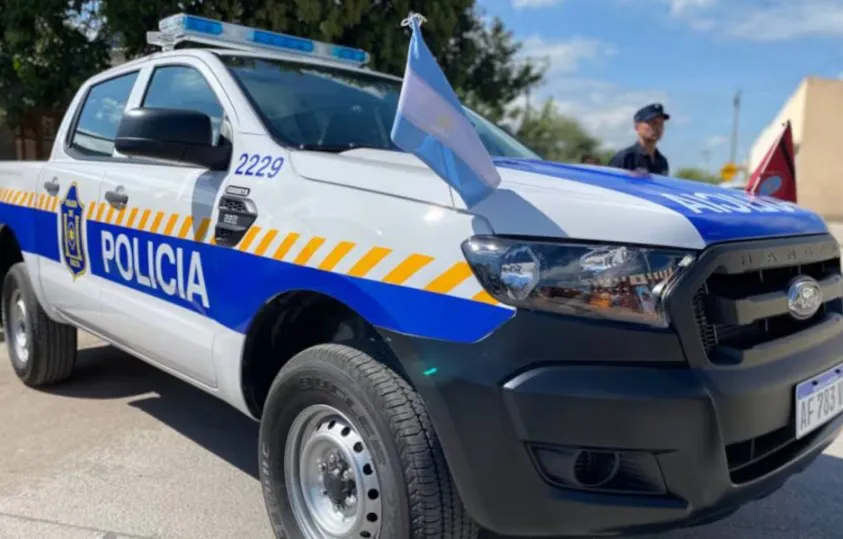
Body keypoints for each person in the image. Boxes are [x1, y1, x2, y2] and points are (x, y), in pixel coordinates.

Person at [608, 103, 670, 175]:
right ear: (637, 127)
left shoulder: (662, 162)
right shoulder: (625, 158)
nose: (658, 128)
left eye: (661, 124)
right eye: (653, 123)